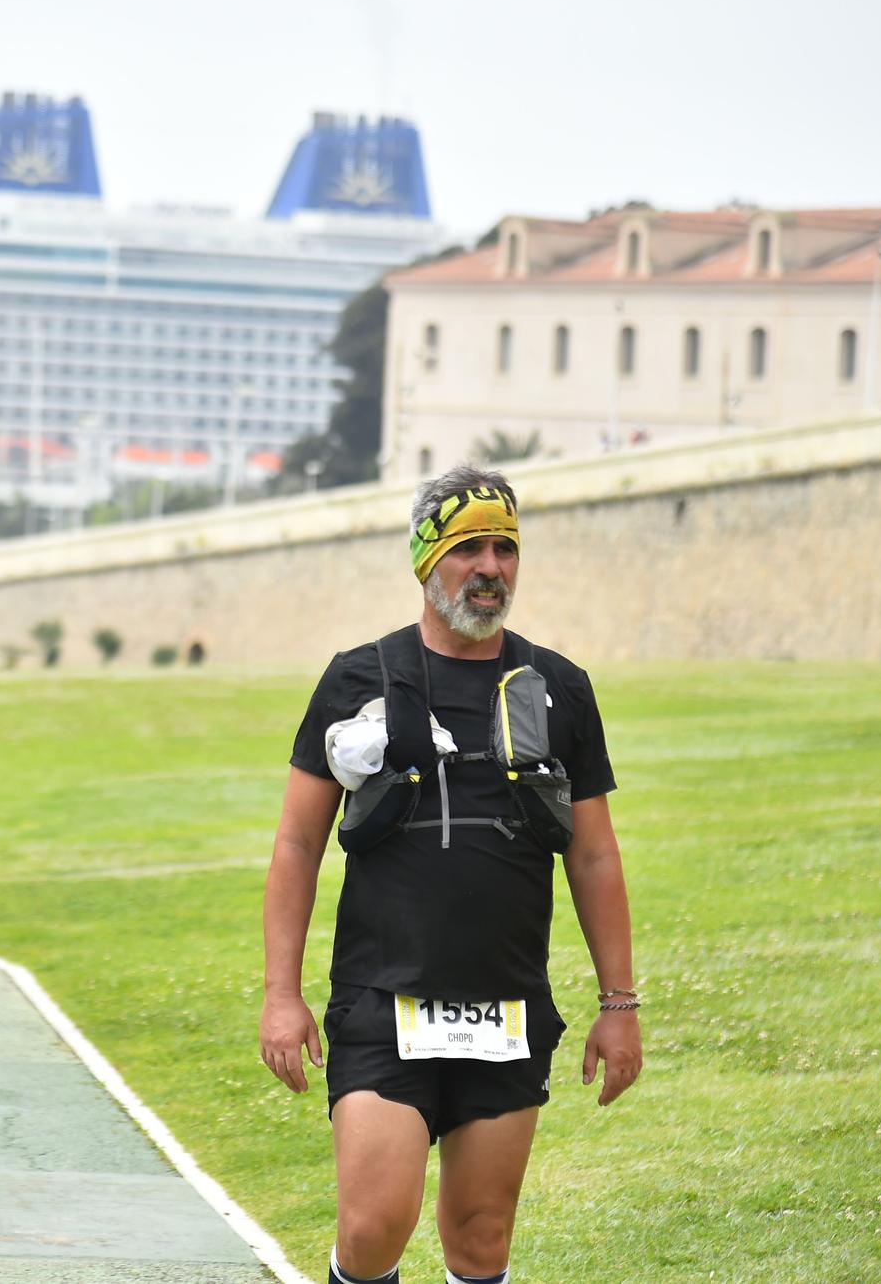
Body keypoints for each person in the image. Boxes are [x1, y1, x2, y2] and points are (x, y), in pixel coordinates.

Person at [259, 465, 641, 1284]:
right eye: (470, 547)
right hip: (381, 999)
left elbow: (595, 853)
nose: (492, 567)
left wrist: (619, 1003)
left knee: (481, 1235)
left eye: (505, 548)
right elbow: (296, 844)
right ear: (427, 559)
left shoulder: (559, 688)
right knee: (372, 1227)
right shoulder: (357, 679)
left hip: (504, 1004)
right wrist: (281, 994)